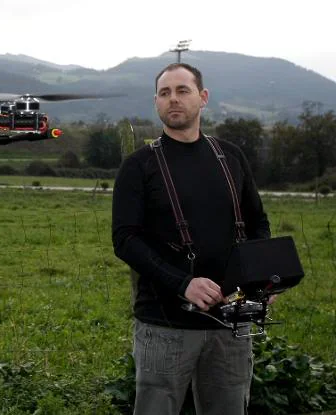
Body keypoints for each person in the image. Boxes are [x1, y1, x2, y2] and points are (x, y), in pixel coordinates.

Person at [111, 62, 271, 414]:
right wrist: (182, 283)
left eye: (182, 90)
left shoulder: (230, 156)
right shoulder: (139, 166)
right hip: (164, 326)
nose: (174, 99)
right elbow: (125, 239)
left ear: (203, 97)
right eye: (164, 93)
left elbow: (258, 223)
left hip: (230, 323)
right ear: (156, 102)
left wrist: (258, 283)